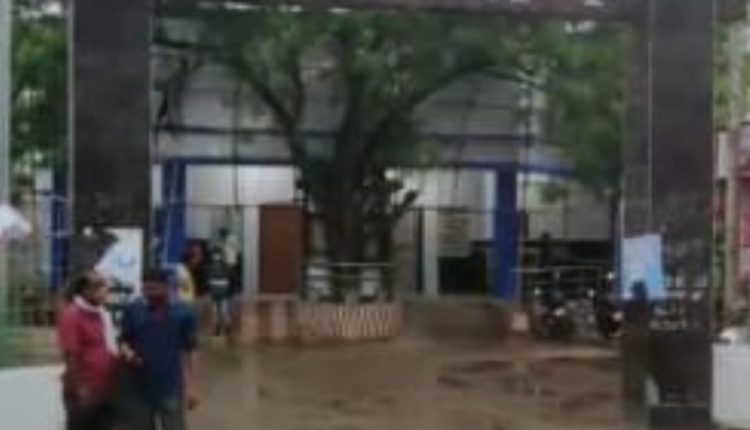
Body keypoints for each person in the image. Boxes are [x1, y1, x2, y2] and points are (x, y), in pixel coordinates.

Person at [120, 269, 199, 430]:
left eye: (154, 289)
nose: (150, 294)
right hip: (139, 387)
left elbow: (189, 351)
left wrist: (192, 387)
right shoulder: (133, 309)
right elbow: (123, 341)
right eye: (146, 289)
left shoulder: (183, 313)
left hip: (171, 386)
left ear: (166, 287)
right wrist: (129, 354)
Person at [58, 272, 119, 430]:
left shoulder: (101, 314)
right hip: (85, 391)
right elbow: (71, 356)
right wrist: (80, 389)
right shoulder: (73, 315)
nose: (104, 290)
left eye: (104, 286)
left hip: (104, 388)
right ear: (85, 291)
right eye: (97, 287)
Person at [206, 248, 232, 336]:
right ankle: (225, 327)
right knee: (222, 310)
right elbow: (229, 279)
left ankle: (219, 328)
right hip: (222, 292)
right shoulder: (225, 266)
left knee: (217, 310)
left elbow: (208, 281)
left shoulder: (210, 267)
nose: (216, 257)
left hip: (217, 292)